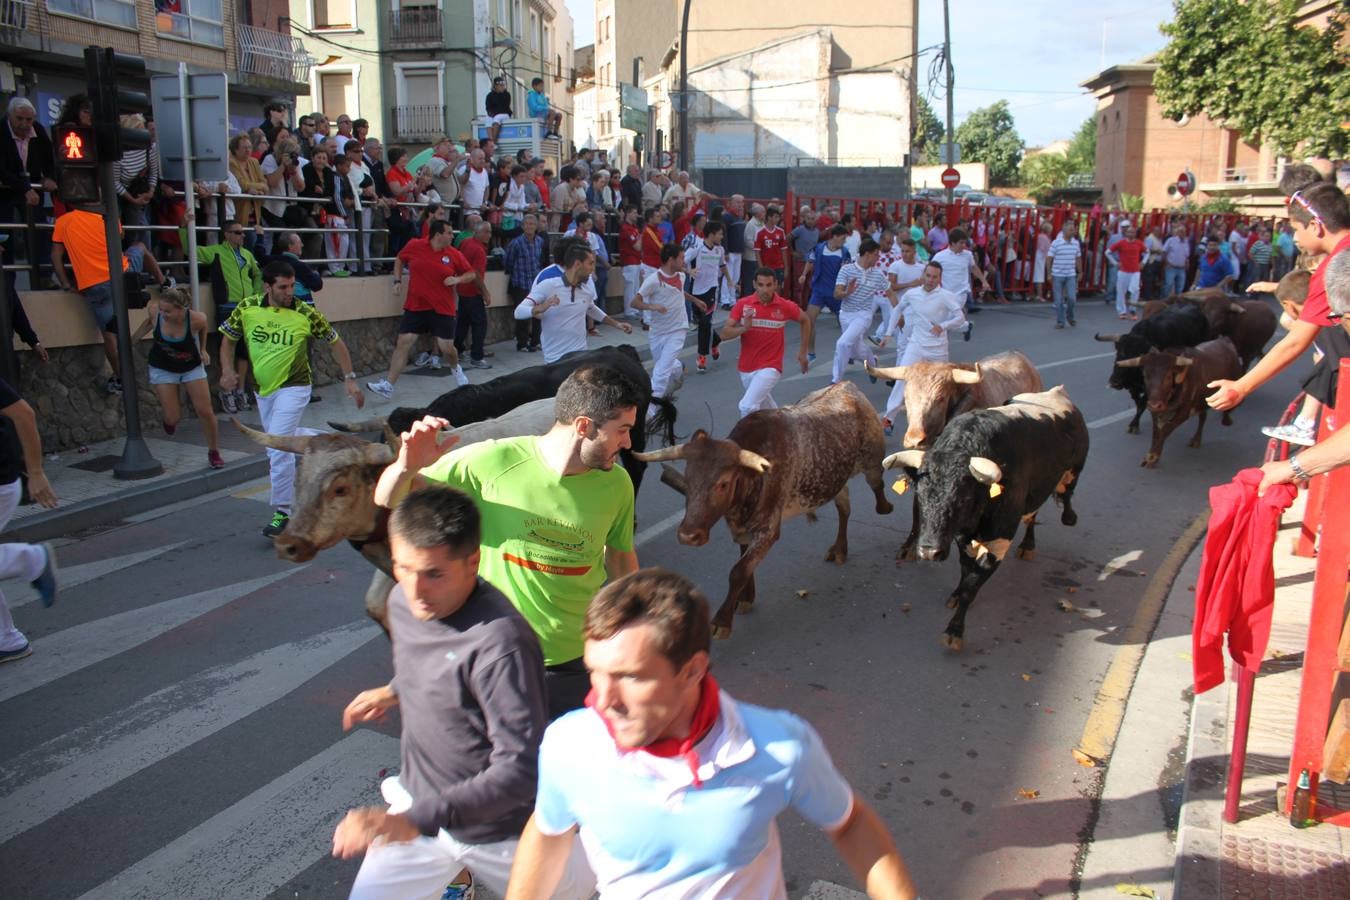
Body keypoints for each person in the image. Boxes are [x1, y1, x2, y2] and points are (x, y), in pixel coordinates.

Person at [504, 568, 920, 900]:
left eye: (628, 677)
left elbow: (849, 824)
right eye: (595, 672)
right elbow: (548, 832)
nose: (601, 699)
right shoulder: (570, 743)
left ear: (693, 670)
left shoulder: (779, 747)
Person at [333, 487, 594, 900]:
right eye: (402, 568)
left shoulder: (500, 644)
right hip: (421, 816)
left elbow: (518, 770)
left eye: (434, 573)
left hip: (500, 832)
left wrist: (413, 821)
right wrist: (394, 690)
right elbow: (433, 661)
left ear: (472, 561)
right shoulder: (403, 601)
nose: (416, 590)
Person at [375, 365, 643, 720]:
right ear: (583, 426)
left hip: (579, 660)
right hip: (498, 657)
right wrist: (405, 467)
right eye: (621, 430)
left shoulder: (617, 484)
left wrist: (635, 627)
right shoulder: (492, 461)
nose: (627, 443)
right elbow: (388, 499)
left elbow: (621, 559)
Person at [219, 261, 364, 537]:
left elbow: (336, 342)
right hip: (263, 390)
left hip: (295, 386)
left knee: (277, 445)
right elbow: (227, 338)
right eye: (283, 287)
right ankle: (334, 444)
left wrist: (350, 378)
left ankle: (283, 512)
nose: (289, 292)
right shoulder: (247, 307)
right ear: (267, 286)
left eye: (292, 286)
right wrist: (226, 370)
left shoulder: (306, 313)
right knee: (281, 437)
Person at [1208, 184, 1350, 418]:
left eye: (1295, 228)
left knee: (1327, 333)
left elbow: (1295, 343)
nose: (1295, 237)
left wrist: (1241, 386)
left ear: (1315, 226)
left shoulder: (1332, 269)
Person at [1258, 250, 1350, 493]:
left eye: (1340, 317)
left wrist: (1294, 467)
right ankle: (1305, 422)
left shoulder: (1329, 328)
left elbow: (1294, 345)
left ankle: (1305, 422)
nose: (1339, 323)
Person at [368, 220, 473, 399]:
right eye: (449, 233)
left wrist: (457, 280)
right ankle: (388, 385)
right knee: (404, 342)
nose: (452, 236)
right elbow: (400, 259)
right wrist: (397, 280)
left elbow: (471, 273)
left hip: (442, 307)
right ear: (438, 235)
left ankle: (456, 369)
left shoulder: (454, 254)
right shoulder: (415, 245)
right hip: (416, 305)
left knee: (446, 348)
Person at [131, 287, 224, 469]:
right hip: (162, 367)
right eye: (162, 309)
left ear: (182, 309)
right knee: (173, 417)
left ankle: (214, 451)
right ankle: (170, 421)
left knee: (205, 411)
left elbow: (204, 328)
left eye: (168, 311)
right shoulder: (155, 311)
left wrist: (203, 348)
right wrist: (134, 339)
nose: (163, 314)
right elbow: (149, 322)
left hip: (190, 366)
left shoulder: (197, 319)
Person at [878, 260, 967, 435]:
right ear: (923, 276)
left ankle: (946, 420)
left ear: (940, 278)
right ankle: (889, 419)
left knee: (941, 386)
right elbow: (897, 310)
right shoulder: (912, 294)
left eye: (935, 277)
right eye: (928, 276)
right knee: (902, 377)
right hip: (916, 345)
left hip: (938, 349)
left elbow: (961, 318)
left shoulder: (946, 296)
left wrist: (943, 325)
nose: (931, 280)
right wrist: (888, 333)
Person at [50, 204, 128, 393]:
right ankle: (165, 281)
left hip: (94, 285)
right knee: (140, 249)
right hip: (121, 276)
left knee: (110, 336)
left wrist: (66, 284)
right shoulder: (107, 217)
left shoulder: (63, 221)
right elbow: (121, 238)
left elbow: (56, 256)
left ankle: (121, 379)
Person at [514, 243, 632, 364]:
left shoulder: (587, 289)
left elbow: (591, 308)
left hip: (581, 356)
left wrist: (616, 324)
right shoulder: (548, 285)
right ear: (577, 264)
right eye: (590, 263)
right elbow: (518, 312)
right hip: (555, 360)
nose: (593, 268)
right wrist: (541, 308)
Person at [719, 269, 811, 417]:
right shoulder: (743, 304)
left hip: (771, 366)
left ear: (776, 285)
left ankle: (743, 440)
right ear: (754, 284)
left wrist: (803, 352)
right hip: (746, 368)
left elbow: (805, 320)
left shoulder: (785, 306)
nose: (765, 289)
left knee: (747, 406)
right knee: (768, 411)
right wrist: (745, 328)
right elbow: (724, 334)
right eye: (761, 285)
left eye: (769, 285)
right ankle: (783, 430)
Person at [196, 219, 265, 412]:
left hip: (247, 307)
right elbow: (191, 250)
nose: (242, 235)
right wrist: (185, 228)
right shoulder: (216, 251)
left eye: (242, 232)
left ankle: (240, 390)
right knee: (226, 350)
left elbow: (258, 274)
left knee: (244, 351)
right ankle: (226, 391)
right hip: (227, 306)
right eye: (237, 232)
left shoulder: (247, 254)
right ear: (226, 234)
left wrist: (256, 295)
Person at [633, 243, 703, 418]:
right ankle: (679, 367)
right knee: (664, 366)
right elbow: (634, 303)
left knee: (661, 372)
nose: (683, 261)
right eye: (681, 258)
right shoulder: (653, 280)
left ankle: (650, 410)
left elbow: (680, 293)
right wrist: (652, 306)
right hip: (657, 332)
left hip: (678, 329)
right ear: (671, 260)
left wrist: (695, 301)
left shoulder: (681, 276)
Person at [830, 239, 886, 385]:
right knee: (856, 350)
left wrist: (898, 314)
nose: (877, 258)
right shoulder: (846, 270)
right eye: (875, 254)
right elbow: (836, 294)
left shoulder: (878, 274)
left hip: (864, 315)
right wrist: (847, 292)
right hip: (846, 314)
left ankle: (836, 381)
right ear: (867, 254)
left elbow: (890, 292)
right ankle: (873, 362)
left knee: (843, 343)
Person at [798, 225, 852, 360]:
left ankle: (850, 351)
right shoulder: (819, 248)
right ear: (834, 236)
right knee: (809, 321)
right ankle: (811, 353)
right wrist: (804, 274)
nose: (844, 241)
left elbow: (847, 272)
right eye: (843, 238)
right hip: (819, 291)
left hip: (836, 293)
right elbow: (810, 261)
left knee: (845, 325)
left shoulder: (845, 252)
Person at [684, 220, 729, 373]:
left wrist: (729, 280)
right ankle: (715, 340)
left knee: (704, 323)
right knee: (703, 322)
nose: (721, 237)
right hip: (695, 290)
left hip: (711, 290)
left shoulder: (720, 250)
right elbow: (681, 261)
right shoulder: (697, 248)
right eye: (720, 234)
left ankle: (702, 357)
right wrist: (689, 271)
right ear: (712, 234)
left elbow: (722, 265)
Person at [454, 220, 494, 370]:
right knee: (479, 324)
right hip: (472, 292)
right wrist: (485, 293)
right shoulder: (478, 250)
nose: (490, 235)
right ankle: (477, 357)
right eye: (487, 232)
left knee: (463, 322)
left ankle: (458, 350)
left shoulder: (465, 242)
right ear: (478, 232)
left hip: (462, 290)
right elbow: (476, 275)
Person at [504, 213, 547, 352]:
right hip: (520, 283)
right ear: (522, 226)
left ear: (536, 226)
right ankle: (522, 343)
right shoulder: (515, 243)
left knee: (538, 314)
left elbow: (540, 260)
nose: (529, 226)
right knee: (523, 315)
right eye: (527, 224)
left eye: (532, 224)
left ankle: (536, 342)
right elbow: (508, 261)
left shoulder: (540, 241)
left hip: (535, 284)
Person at [931, 227, 988, 328]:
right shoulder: (940, 256)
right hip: (945, 293)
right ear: (952, 242)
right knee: (945, 321)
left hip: (961, 293)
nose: (964, 245)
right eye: (961, 243)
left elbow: (974, 268)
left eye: (964, 243)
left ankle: (944, 332)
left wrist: (984, 281)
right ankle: (965, 326)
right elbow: (930, 270)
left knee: (944, 321)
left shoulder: (968, 255)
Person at [880, 238, 926, 343]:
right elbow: (892, 287)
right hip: (898, 306)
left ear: (914, 252)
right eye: (903, 251)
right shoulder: (895, 266)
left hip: (915, 308)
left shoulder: (921, 268)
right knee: (902, 342)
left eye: (907, 251)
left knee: (914, 341)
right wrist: (910, 284)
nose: (904, 254)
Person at [1046, 221, 1082, 329]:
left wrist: (1080, 272)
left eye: (1073, 230)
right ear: (1064, 231)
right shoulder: (1056, 243)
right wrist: (1049, 273)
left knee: (1072, 298)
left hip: (1070, 274)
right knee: (1058, 300)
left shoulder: (1076, 243)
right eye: (1071, 230)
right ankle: (1060, 321)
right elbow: (1049, 258)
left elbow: (1078, 258)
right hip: (1057, 275)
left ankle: (1070, 316)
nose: (1073, 232)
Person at [1107, 224, 1146, 320]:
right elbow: (1107, 252)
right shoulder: (1121, 243)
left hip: (1135, 271)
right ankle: (1122, 311)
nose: (1131, 234)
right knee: (1121, 291)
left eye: (1133, 232)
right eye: (1129, 232)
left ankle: (1133, 310)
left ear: (1135, 233)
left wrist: (1143, 262)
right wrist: (1115, 263)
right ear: (1126, 233)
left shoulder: (1139, 243)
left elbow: (1147, 252)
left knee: (1135, 290)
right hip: (1123, 271)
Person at [754, 205, 788, 286]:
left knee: (778, 289)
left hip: (778, 266)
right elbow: (757, 252)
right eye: (776, 217)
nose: (778, 219)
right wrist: (761, 268)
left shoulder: (781, 231)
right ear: (769, 217)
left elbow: (783, 250)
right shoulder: (759, 232)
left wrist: (786, 267)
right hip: (766, 267)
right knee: (766, 290)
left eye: (778, 217)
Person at [1161, 222, 1190, 298]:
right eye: (1181, 231)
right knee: (1168, 285)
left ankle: (1176, 303)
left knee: (1180, 287)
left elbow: (1186, 255)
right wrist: (1167, 263)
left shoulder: (1186, 241)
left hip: (1181, 268)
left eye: (1184, 232)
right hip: (1171, 267)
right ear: (1177, 232)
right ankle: (1164, 301)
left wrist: (1187, 262)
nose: (1183, 233)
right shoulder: (1171, 240)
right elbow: (1164, 252)